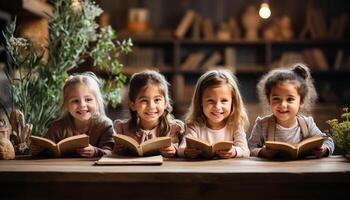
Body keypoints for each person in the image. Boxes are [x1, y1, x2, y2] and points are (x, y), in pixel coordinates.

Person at [248, 63, 334, 158]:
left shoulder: (307, 124)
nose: (283, 105)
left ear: (301, 102)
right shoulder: (262, 125)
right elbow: (250, 148)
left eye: (290, 99)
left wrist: (324, 149)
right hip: (272, 171)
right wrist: (261, 152)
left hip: (304, 170)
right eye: (276, 99)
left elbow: (328, 141)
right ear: (269, 101)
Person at [32, 72, 115, 157]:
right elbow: (47, 149)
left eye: (88, 99)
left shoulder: (105, 125)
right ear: (66, 105)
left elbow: (111, 152)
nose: (82, 105)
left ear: (97, 102)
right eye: (75, 101)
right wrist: (38, 150)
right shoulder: (58, 127)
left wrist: (95, 151)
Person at [178, 69, 250, 159]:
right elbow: (180, 149)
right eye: (210, 101)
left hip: (228, 170)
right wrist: (186, 151)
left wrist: (234, 151)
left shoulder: (235, 125)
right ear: (200, 101)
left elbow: (245, 151)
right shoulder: (194, 125)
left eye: (224, 101)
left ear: (233, 102)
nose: (217, 107)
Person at [114, 70, 184, 158]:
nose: (151, 106)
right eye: (144, 100)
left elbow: (178, 150)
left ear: (165, 103)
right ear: (132, 105)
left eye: (157, 100)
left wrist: (172, 150)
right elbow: (113, 152)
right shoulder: (122, 129)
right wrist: (117, 149)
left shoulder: (173, 129)